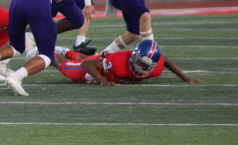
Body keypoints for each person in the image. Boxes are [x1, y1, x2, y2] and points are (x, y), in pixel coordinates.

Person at [50, 40, 204, 85]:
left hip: (105, 61)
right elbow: (86, 66)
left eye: (145, 65)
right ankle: (48, 53)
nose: (140, 66)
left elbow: (167, 61)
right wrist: (102, 80)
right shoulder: (119, 63)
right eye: (138, 61)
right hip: (99, 70)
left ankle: (65, 50)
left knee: (88, 59)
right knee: (67, 68)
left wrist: (186, 78)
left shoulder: (155, 68)